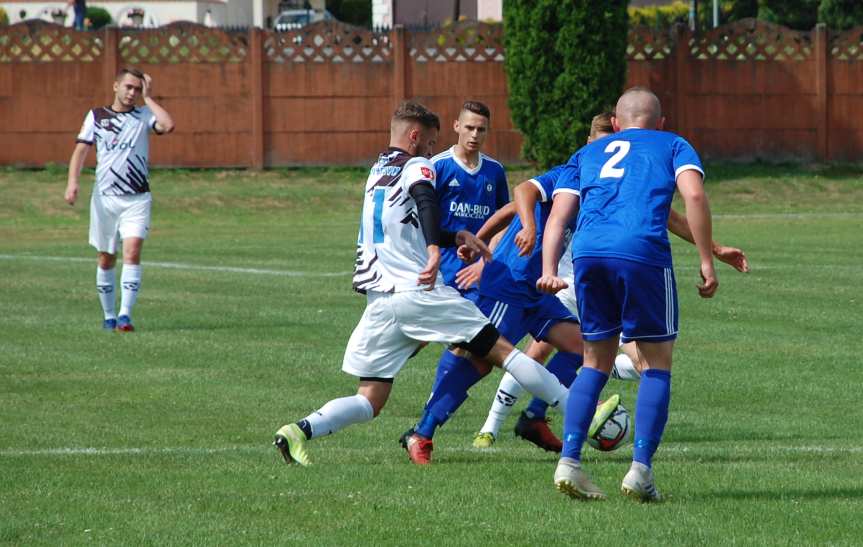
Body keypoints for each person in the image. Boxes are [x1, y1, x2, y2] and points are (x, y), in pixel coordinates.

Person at [273, 102, 571, 467]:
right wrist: (434, 251)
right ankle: (582, 412)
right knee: (503, 353)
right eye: (430, 142)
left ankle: (299, 430)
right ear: (415, 137)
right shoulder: (418, 165)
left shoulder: (377, 172)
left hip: (380, 302)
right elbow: (426, 200)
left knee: (370, 399)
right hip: (418, 293)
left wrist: (453, 235)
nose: (432, 150)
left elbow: (408, 221)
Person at [473, 113, 750, 450]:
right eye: (601, 142)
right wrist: (487, 244)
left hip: (598, 278)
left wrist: (716, 248)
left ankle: (538, 420)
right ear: (592, 141)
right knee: (540, 350)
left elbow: (671, 219)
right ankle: (493, 425)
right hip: (567, 281)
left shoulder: (627, 177)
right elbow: (516, 204)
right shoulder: (577, 170)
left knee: (620, 359)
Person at [538, 87, 715, 502]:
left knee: (594, 361)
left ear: (616, 124)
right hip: (642, 252)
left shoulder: (587, 154)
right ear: (661, 122)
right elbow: (692, 194)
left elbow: (561, 214)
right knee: (656, 363)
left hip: (588, 253)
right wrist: (706, 259)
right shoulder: (673, 144)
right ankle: (640, 471)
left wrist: (548, 270)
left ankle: (569, 462)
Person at [65, 68, 175, 332]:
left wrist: (149, 98)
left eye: (137, 89)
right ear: (115, 86)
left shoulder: (143, 115)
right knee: (106, 257)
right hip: (105, 199)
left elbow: (168, 125)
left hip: (137, 198)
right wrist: (73, 182)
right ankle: (109, 315)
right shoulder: (97, 116)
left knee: (133, 252)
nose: (132, 93)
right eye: (128, 87)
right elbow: (81, 150)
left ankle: (125, 316)